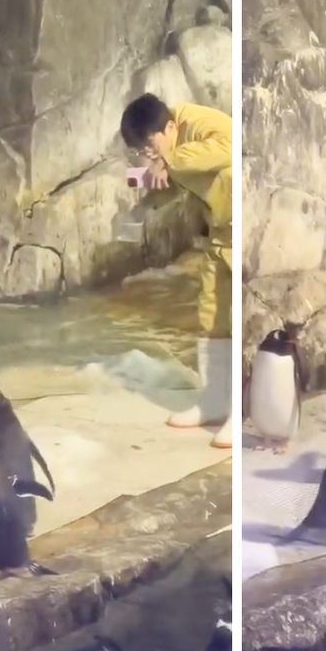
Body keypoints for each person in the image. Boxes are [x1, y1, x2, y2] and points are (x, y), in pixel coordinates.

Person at [120, 93, 233, 449]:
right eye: (143, 151)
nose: (150, 156)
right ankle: (215, 399)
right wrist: (149, 184)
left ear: (170, 127)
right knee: (211, 313)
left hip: (245, 224)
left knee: (240, 317)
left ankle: (241, 410)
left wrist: (170, 160)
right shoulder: (168, 150)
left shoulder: (197, 122)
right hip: (219, 231)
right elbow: (183, 182)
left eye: (150, 147)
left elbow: (231, 144)